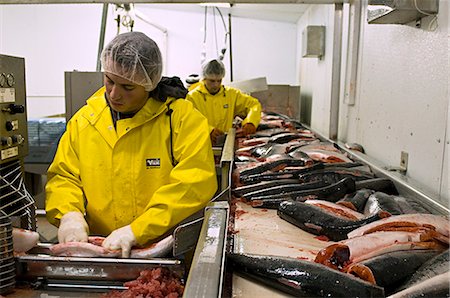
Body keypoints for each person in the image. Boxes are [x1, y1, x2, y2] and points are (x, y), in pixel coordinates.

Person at [45, 32, 217, 258]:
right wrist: (69, 214)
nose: (114, 94)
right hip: (100, 250)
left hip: (165, 249)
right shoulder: (85, 121)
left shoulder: (180, 118)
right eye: (109, 81)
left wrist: (139, 230)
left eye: (128, 87)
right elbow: (64, 176)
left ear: (149, 84)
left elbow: (195, 181)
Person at [185, 59, 262, 145]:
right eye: (212, 81)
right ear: (204, 78)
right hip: (200, 145)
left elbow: (254, 104)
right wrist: (208, 130)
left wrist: (251, 121)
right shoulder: (192, 97)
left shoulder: (232, 94)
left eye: (219, 80)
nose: (216, 85)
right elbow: (189, 121)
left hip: (225, 144)